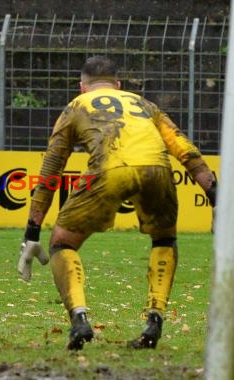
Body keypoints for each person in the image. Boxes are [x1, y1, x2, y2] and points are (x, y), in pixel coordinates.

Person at [17, 55, 217, 351]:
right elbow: (186, 150)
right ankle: (155, 319)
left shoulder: (75, 106)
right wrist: (217, 198)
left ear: (82, 87)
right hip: (158, 169)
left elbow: (51, 170)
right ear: (119, 85)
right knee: (164, 238)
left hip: (109, 169)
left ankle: (80, 318)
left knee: (62, 243)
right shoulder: (144, 105)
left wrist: (32, 230)